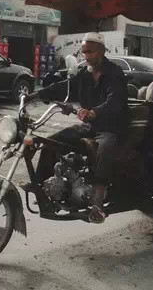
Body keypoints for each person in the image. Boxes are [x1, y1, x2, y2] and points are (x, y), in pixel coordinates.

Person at [26, 32, 129, 224]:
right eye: (83, 52)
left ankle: (97, 205)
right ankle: (39, 184)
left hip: (112, 128)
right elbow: (65, 86)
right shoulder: (85, 73)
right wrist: (35, 95)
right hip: (90, 126)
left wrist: (94, 112)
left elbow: (115, 101)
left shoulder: (114, 73)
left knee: (104, 149)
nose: (86, 56)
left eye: (90, 52)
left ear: (101, 51)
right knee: (52, 141)